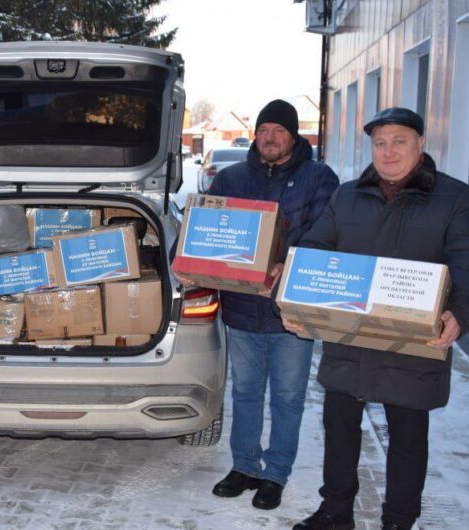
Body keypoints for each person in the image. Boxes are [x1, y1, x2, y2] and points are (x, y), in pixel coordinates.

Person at [288, 107, 468, 530]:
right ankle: (335, 512)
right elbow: (316, 244)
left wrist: (459, 314)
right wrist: (297, 297)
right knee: (339, 429)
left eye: (399, 141)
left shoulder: (454, 198)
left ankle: (398, 521)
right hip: (349, 337)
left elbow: (465, 266)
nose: (388, 152)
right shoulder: (347, 195)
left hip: (414, 342)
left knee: (407, 439)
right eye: (380, 143)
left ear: (420, 144)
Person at [175, 99, 339, 510]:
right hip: (242, 310)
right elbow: (203, 229)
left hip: (291, 315)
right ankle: (244, 466)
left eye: (279, 131)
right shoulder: (231, 178)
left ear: (293, 136)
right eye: (264, 130)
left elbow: (329, 233)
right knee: (245, 392)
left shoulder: (318, 178)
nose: (270, 138)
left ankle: (275, 474)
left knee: (287, 396)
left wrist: (287, 264)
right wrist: (186, 260)